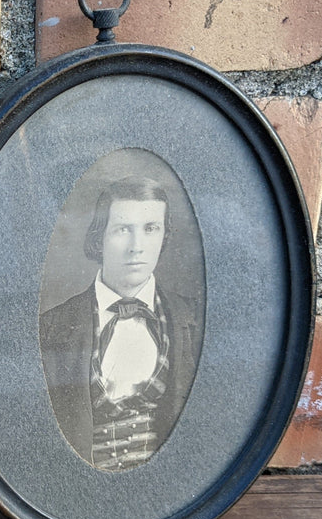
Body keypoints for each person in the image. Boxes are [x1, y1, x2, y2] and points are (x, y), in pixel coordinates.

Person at [39, 175, 202, 471]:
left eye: (150, 229)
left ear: (164, 235)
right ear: (99, 237)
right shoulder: (51, 327)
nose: (136, 246)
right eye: (122, 230)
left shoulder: (195, 320)